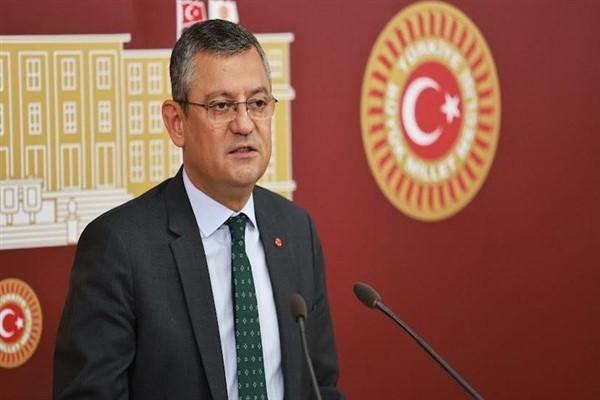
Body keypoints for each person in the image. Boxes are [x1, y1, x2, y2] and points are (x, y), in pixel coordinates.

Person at [53, 19, 343, 400]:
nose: (244, 124)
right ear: (177, 123)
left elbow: (320, 384)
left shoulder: (295, 230)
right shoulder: (120, 248)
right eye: (221, 106)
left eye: (257, 103)